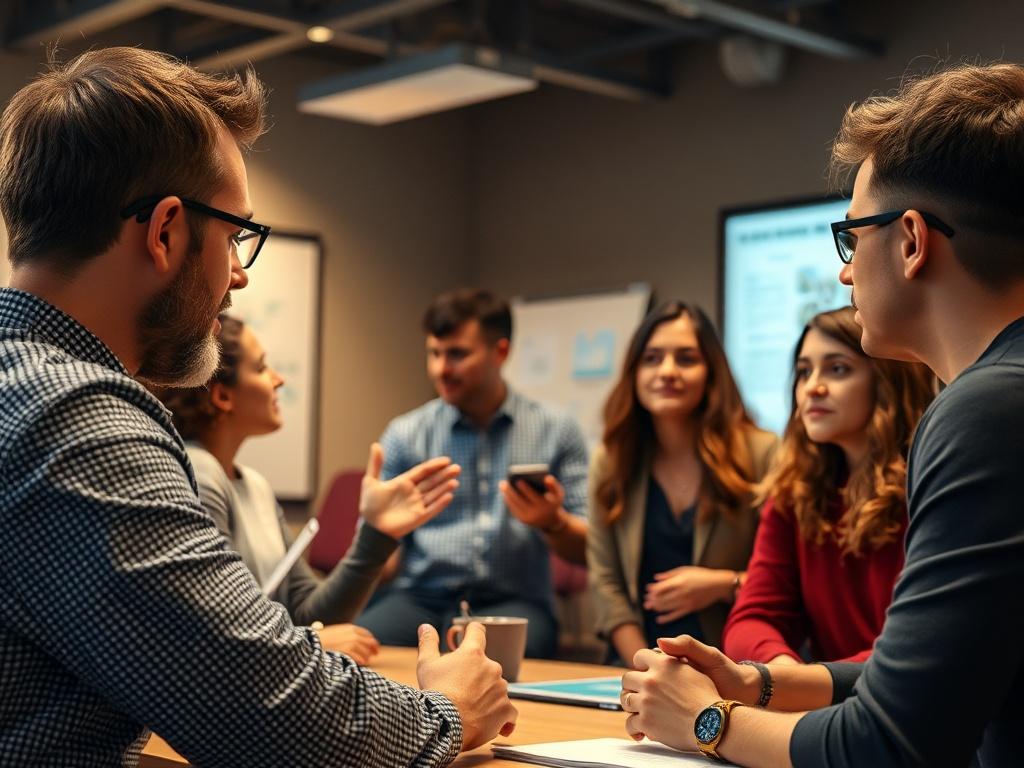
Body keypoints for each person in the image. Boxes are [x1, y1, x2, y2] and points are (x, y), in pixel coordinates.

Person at [0, 46, 515, 767]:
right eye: (235, 236)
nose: (238, 276)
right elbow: (273, 713)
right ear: (166, 232)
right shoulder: (78, 421)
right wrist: (449, 712)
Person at [620, 62, 1024, 767]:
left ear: (911, 241)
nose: (844, 271)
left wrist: (707, 721)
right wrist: (761, 682)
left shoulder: (985, 411)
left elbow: (891, 745)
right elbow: (943, 674)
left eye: (852, 237)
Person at [156, 314, 463, 665]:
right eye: (262, 368)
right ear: (223, 396)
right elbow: (214, 631)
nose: (279, 379)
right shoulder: (200, 473)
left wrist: (379, 532)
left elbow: (309, 612)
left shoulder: (254, 486)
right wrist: (310, 641)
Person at [357, 288, 589, 659]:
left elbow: (592, 549)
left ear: (500, 352)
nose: (440, 369)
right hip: (419, 599)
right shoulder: (405, 434)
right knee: (357, 655)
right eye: (434, 353)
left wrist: (553, 523)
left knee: (496, 665)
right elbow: (378, 560)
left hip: (513, 602)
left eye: (457, 354)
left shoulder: (556, 430)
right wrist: (376, 534)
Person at [722, 307, 934, 665]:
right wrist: (782, 669)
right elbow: (751, 619)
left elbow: (922, 643)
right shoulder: (796, 492)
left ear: (886, 380)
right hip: (826, 692)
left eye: (838, 369)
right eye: (804, 372)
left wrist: (805, 683)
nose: (813, 388)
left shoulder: (927, 486)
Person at [586, 300, 777, 665]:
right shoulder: (611, 461)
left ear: (711, 372)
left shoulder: (762, 453)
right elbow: (606, 586)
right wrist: (648, 666)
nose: (667, 371)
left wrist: (723, 584)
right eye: (652, 358)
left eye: (686, 359)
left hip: (735, 664)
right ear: (634, 372)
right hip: (636, 662)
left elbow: (786, 582)